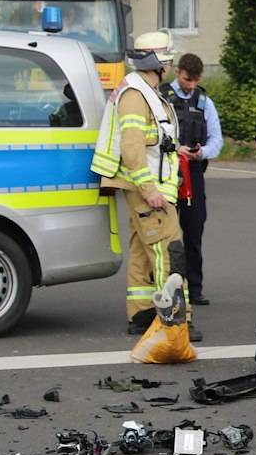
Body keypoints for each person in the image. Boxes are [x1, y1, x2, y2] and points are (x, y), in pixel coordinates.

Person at [92, 31, 182, 336]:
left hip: (144, 187)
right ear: (159, 61)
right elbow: (131, 150)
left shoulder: (145, 91)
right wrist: (150, 191)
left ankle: (142, 315)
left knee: (145, 251)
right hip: (147, 189)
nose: (170, 63)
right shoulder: (136, 94)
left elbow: (150, 141)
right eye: (168, 57)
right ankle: (173, 319)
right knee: (168, 250)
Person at [163, 53, 223, 305]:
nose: (191, 85)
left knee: (194, 229)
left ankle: (194, 287)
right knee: (166, 231)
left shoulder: (204, 101)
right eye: (188, 79)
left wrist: (201, 152)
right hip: (167, 168)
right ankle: (167, 284)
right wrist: (177, 148)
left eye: (196, 80)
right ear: (178, 72)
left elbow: (217, 140)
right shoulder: (163, 96)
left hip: (194, 172)